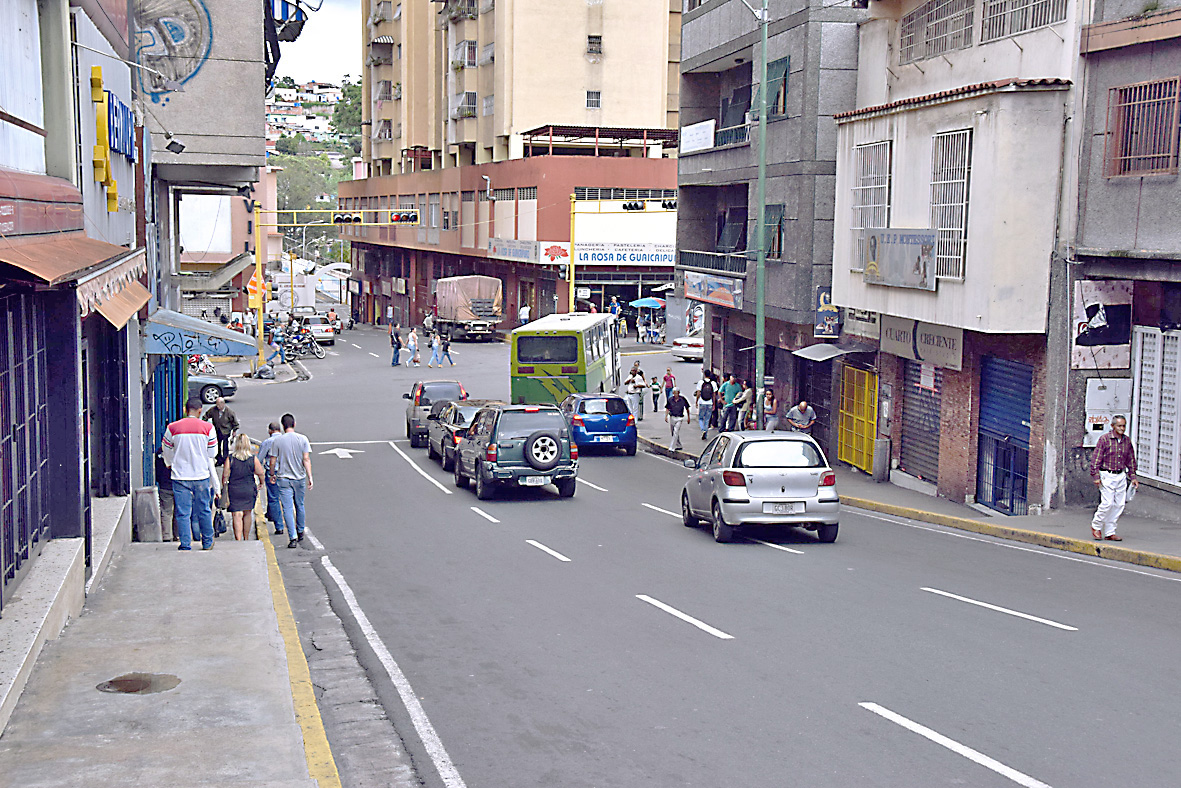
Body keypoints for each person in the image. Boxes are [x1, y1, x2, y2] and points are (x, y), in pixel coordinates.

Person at [161, 398, 220, 551]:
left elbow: (166, 450)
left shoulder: (172, 428)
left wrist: (171, 463)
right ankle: (207, 542)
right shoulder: (208, 428)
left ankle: (186, 543)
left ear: (185, 409)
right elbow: (212, 453)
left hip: (180, 476)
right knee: (204, 510)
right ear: (200, 411)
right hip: (201, 476)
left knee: (182, 512)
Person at [1089, 415, 1138, 541]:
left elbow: (1130, 459)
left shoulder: (1127, 441)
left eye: (1124, 426)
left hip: (1120, 475)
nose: (1122, 428)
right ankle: (1096, 525)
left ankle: (1110, 532)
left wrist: (1132, 476)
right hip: (1107, 475)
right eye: (1119, 426)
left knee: (1119, 504)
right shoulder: (1105, 439)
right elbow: (1096, 458)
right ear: (1113, 426)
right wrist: (1096, 476)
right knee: (1107, 503)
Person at [269, 413, 313, 548]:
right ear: (294, 424)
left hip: (283, 477)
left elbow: (273, 460)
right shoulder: (303, 439)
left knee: (287, 508)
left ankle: (292, 537)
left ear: (283, 426)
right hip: (299, 477)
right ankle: (300, 531)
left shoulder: (278, 441)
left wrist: (272, 474)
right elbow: (306, 459)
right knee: (299, 505)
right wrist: (310, 476)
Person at [221, 433, 265, 541]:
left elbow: (225, 475)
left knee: (236, 514)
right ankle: (246, 538)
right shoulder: (252, 459)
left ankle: (238, 539)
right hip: (248, 488)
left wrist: (224, 485)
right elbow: (260, 472)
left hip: (234, 489)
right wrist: (261, 483)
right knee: (247, 513)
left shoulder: (230, 459)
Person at [258, 422, 285, 535]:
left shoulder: (268, 442)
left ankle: (279, 526)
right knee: (284, 498)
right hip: (286, 472)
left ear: (270, 430)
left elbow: (259, 459)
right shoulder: (285, 440)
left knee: (273, 498)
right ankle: (271, 514)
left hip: (272, 471)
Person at [203, 397, 239, 466]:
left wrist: (234, 431)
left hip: (225, 431)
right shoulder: (213, 410)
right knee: (217, 446)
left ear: (223, 404)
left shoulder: (229, 412)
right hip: (217, 430)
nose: (217, 406)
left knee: (225, 446)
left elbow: (235, 423)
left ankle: (226, 460)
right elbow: (206, 416)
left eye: (219, 405)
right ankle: (219, 459)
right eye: (217, 404)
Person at [695, 373, 715, 440]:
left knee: (700, 418)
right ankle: (705, 431)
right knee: (707, 419)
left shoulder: (701, 382)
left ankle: (703, 429)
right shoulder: (713, 383)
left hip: (702, 402)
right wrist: (714, 404)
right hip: (710, 403)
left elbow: (698, 393)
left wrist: (696, 401)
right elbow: (714, 395)